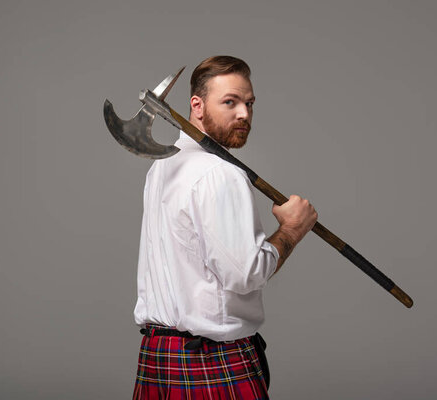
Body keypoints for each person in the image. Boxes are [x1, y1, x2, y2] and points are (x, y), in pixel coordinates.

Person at [132, 56, 318, 399]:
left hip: (160, 357)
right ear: (197, 106)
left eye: (249, 103)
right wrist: (292, 228)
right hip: (211, 361)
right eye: (230, 102)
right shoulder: (221, 173)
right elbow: (246, 274)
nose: (244, 114)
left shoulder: (162, 166)